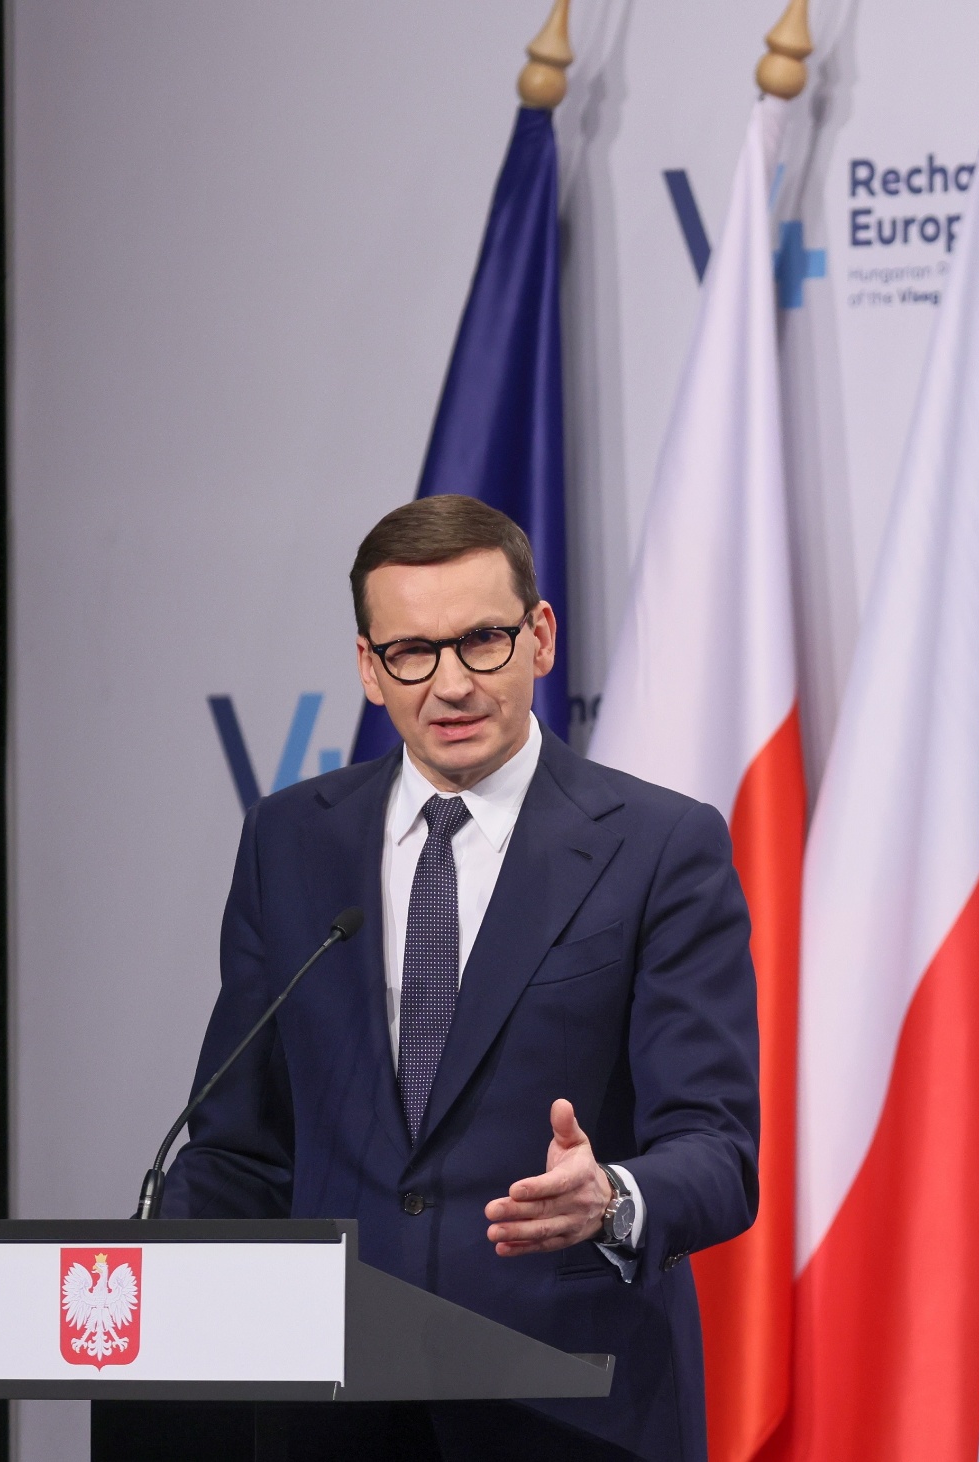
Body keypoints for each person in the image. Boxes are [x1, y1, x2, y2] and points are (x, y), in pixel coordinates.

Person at [163, 496, 759, 1462]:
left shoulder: (659, 847)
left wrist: (610, 1196)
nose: (451, 684)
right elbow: (239, 1144)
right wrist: (156, 1275)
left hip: (575, 1403)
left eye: (482, 640)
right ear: (369, 667)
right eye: (412, 652)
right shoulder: (289, 840)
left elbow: (718, 1150)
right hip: (338, 1412)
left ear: (540, 637)